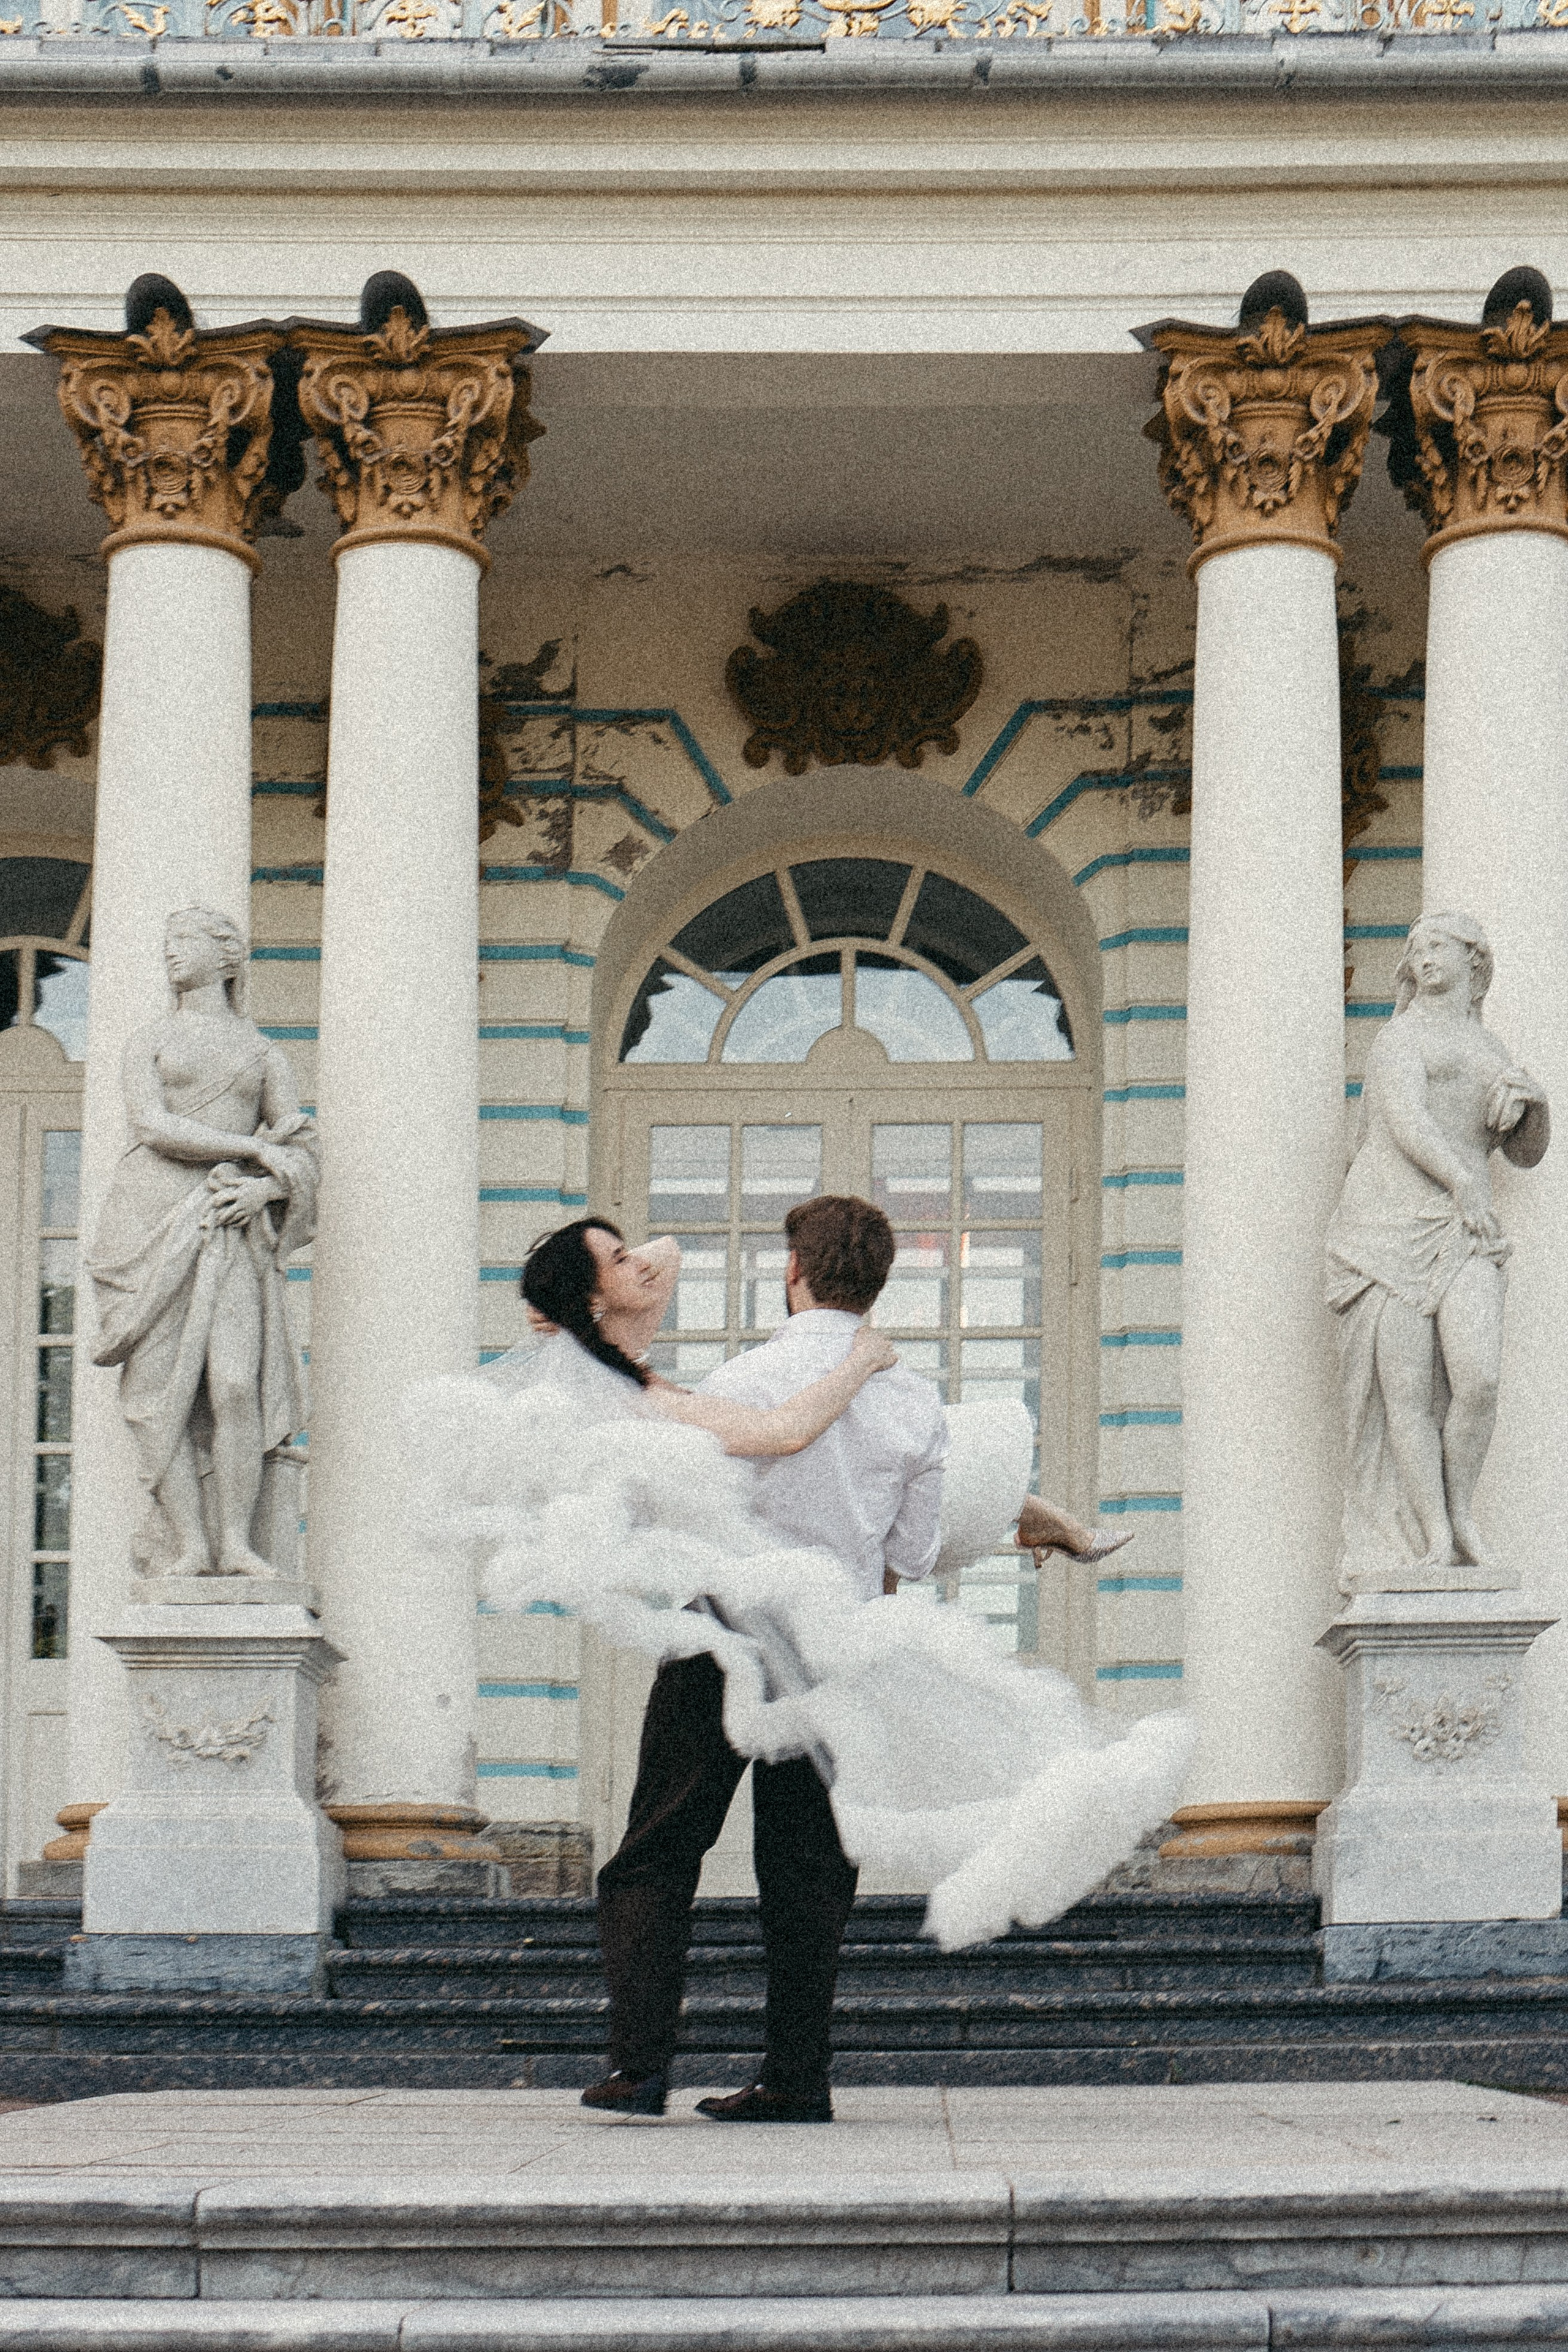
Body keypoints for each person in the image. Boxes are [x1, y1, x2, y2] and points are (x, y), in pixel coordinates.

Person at [556, 1194, 944, 2125]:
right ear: (879, 1283)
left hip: (727, 1632)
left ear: (793, 1272)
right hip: (836, 1644)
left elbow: (682, 1502)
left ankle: (640, 2068)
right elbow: (914, 1556)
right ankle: (796, 2078)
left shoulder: (750, 1376)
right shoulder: (915, 1400)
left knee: (657, 1851)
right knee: (811, 1871)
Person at [86, 905, 317, 1578]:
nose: (171, 954)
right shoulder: (149, 1040)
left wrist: (264, 1192)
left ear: (228, 958)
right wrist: (251, 1150)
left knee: (238, 1385)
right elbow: (152, 1125)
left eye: (185, 941)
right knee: (164, 1397)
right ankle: (191, 1544)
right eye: (167, 944)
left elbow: (302, 1148)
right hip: (150, 1221)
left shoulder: (262, 1053)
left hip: (229, 1226)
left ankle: (237, 1543)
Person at [1326, 910, 1548, 1582]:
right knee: (1408, 1393)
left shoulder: (1492, 1050)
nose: (1422, 956)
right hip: (1387, 1226)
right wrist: (1460, 1181)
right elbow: (1404, 1119)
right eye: (1415, 947)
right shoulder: (1400, 1038)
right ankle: (1433, 1538)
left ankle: (1461, 1512)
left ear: (1474, 961)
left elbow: (1524, 1154)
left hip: (1463, 1227)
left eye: (1437, 946)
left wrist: (1535, 1106)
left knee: (1477, 1378)